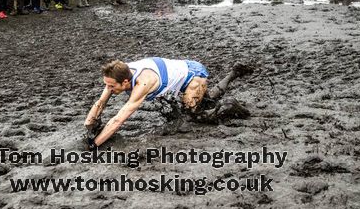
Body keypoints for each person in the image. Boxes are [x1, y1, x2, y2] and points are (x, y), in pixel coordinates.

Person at [83, 59, 251, 148]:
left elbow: (119, 119)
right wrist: (89, 127)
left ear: (126, 82)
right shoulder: (117, 75)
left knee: (195, 115)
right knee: (208, 101)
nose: (108, 89)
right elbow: (101, 102)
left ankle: (231, 105)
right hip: (184, 69)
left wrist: (94, 145)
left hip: (193, 75)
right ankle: (234, 73)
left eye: (111, 86)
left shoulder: (143, 83)